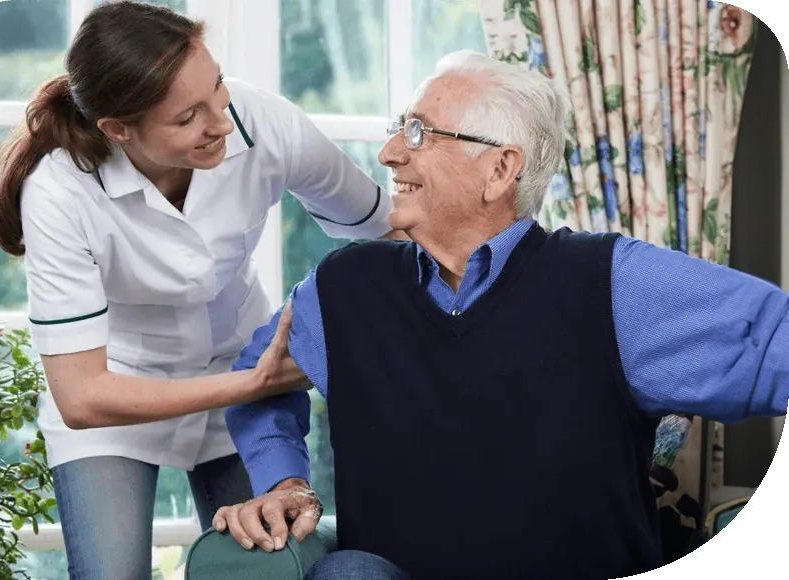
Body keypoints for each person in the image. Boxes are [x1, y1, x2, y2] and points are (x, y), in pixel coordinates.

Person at [216, 50, 789, 580]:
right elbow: (257, 382)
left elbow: (773, 342)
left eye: (418, 132)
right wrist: (285, 481)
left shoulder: (614, 283)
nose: (389, 152)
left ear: (499, 170)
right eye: (397, 128)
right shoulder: (342, 288)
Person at [0, 1, 401, 578]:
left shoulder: (262, 123)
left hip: (237, 369)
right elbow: (82, 398)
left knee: (261, 569)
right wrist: (252, 382)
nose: (222, 123)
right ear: (118, 130)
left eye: (219, 88)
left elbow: (387, 229)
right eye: (187, 119)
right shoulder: (60, 191)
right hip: (118, 393)